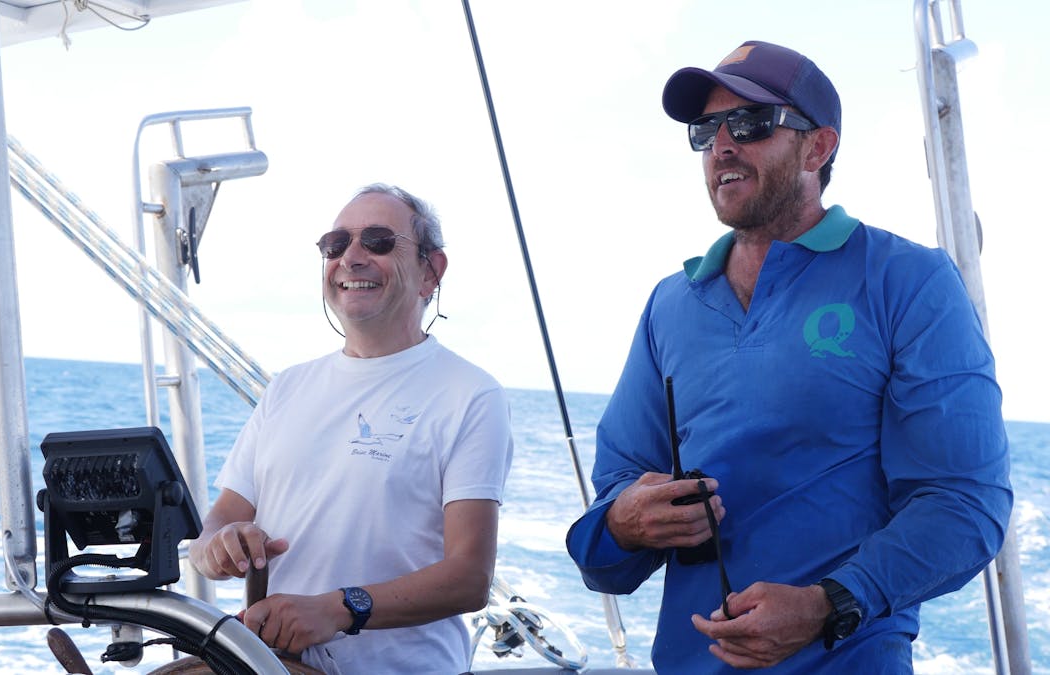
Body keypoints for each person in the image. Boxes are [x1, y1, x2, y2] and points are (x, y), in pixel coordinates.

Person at [565, 40, 1011, 673]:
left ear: (817, 147)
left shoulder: (908, 281)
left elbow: (966, 502)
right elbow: (612, 513)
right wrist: (625, 524)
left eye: (748, 124)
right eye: (705, 130)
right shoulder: (671, 304)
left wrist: (828, 603)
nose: (721, 145)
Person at [190, 183, 514, 675]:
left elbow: (469, 577)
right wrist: (219, 547)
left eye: (379, 241)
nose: (351, 258)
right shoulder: (287, 388)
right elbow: (215, 526)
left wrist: (338, 608)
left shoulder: (469, 394)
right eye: (335, 245)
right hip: (275, 666)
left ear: (431, 270)